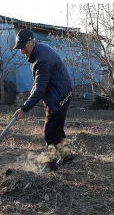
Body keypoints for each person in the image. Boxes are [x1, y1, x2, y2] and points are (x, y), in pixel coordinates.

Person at [12, 29, 74, 171]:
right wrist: (25, 106)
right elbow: (38, 85)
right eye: (20, 48)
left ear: (32, 42)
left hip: (59, 96)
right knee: (56, 128)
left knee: (50, 132)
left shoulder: (42, 59)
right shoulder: (37, 53)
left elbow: (39, 89)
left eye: (23, 47)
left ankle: (50, 166)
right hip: (55, 93)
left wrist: (24, 109)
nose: (22, 51)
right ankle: (67, 156)